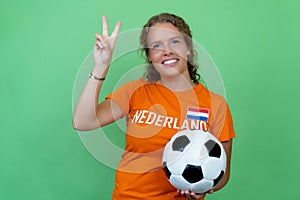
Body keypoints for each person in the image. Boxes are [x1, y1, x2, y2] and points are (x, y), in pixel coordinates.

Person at [73, 13, 235, 200]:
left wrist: (201, 190)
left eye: (174, 42)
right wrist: (100, 66)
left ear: (188, 48)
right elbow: (82, 121)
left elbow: (222, 174)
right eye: (156, 46)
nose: (166, 50)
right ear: (150, 56)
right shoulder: (136, 91)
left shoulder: (216, 104)